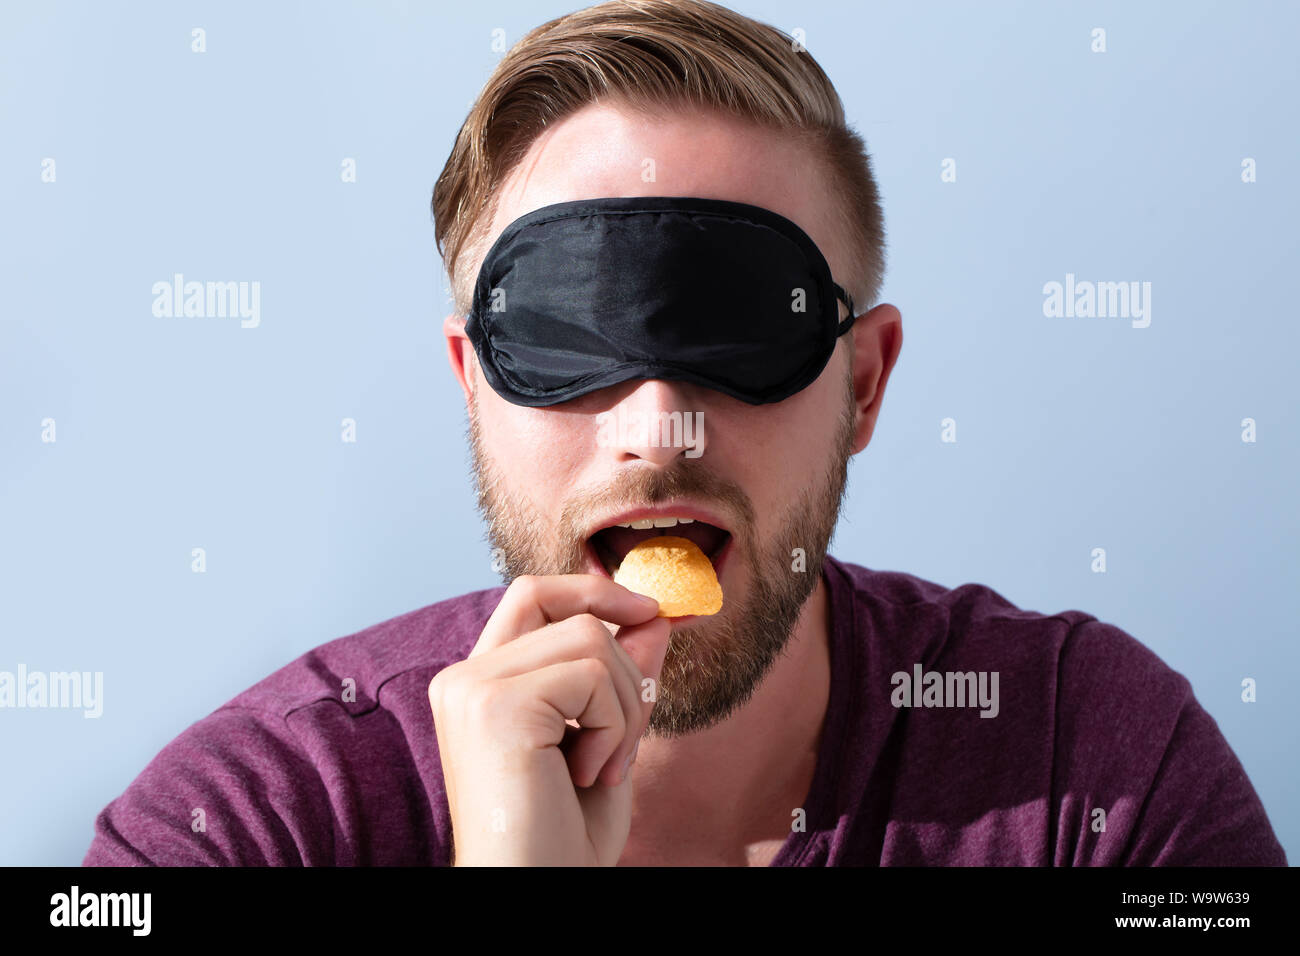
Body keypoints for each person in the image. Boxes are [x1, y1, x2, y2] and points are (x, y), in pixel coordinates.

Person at [83, 0, 1285, 867]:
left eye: (741, 329)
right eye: (564, 337)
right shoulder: (245, 825)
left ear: (864, 384)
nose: (662, 426)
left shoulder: (1098, 774)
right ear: (470, 383)